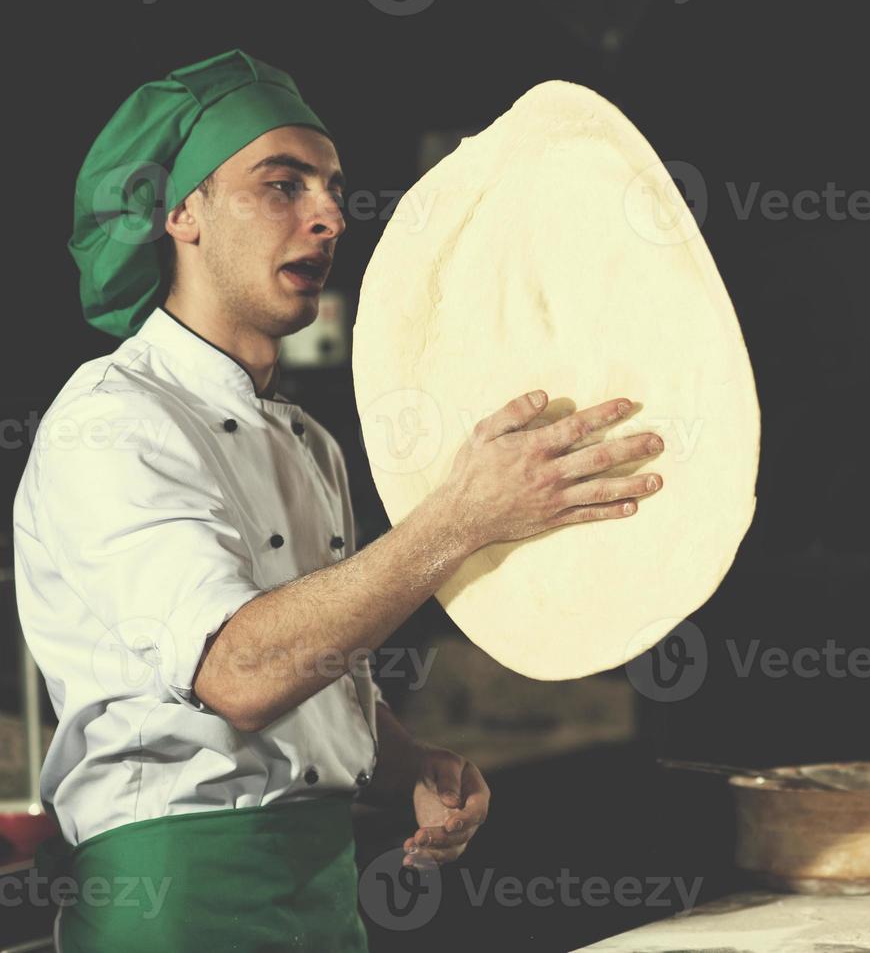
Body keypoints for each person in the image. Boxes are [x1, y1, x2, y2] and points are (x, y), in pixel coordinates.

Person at [12, 49, 665, 951]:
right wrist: (459, 519)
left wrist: (406, 763)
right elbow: (238, 673)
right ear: (179, 211)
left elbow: (317, 668)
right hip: (175, 903)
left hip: (323, 896)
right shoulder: (113, 422)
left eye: (331, 188)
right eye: (281, 185)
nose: (328, 216)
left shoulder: (309, 443)